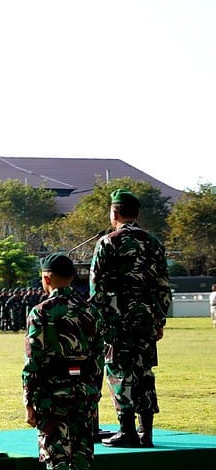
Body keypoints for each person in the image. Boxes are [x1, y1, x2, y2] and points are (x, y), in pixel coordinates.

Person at [23, 253, 105, 470]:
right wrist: (92, 393)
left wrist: (29, 401)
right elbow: (99, 360)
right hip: (84, 397)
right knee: (82, 460)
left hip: (52, 398)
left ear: (46, 278)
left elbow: (32, 362)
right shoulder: (91, 312)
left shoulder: (42, 311)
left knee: (57, 460)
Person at [90, 189, 172, 448]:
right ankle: (146, 432)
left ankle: (126, 431)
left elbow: (97, 288)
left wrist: (100, 322)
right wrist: (160, 321)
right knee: (144, 372)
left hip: (118, 318)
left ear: (114, 212)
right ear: (136, 213)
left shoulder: (108, 242)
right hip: (147, 318)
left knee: (119, 371)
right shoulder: (154, 243)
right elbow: (163, 286)